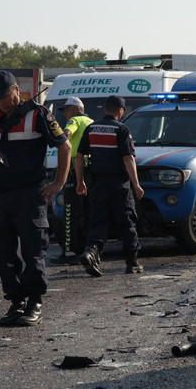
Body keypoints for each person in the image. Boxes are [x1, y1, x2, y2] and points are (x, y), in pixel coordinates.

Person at [0, 70, 70, 327]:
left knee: (32, 250)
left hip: (29, 194)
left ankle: (34, 302)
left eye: (4, 96)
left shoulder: (37, 114)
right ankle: (16, 302)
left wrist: (58, 183)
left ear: (17, 90)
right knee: (2, 250)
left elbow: (65, 146)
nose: (0, 103)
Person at [75, 95, 145, 276]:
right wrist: (136, 184)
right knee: (127, 221)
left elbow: (79, 156)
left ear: (106, 109)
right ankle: (132, 263)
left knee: (98, 221)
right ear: (120, 111)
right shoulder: (122, 129)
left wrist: (80, 181)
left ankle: (91, 252)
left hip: (97, 184)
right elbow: (128, 158)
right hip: (119, 184)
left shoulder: (91, 128)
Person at [51, 96, 94, 265]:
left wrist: (59, 139)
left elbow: (66, 134)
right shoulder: (91, 121)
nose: (65, 113)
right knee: (86, 211)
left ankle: (70, 252)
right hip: (90, 170)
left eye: (67, 109)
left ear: (76, 109)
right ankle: (85, 248)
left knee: (69, 212)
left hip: (75, 169)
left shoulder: (75, 120)